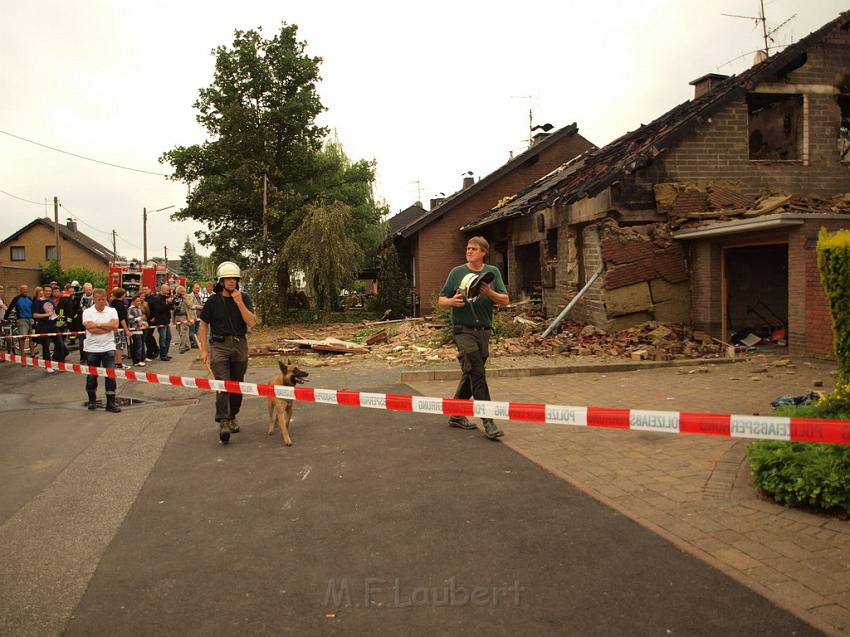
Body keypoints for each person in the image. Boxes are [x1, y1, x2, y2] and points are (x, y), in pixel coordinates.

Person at [438, 236, 510, 440]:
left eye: (473, 249)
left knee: (471, 372)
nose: (469, 251)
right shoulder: (457, 272)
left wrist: (489, 293)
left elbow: (505, 300)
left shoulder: (492, 272)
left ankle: (456, 413)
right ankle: (488, 421)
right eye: (468, 248)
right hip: (463, 330)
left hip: (484, 330)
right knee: (477, 371)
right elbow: (441, 300)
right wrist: (451, 301)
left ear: (483, 252)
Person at [197, 261, 257, 444]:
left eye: (234, 279)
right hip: (219, 346)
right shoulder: (213, 301)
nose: (231, 282)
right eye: (228, 279)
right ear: (221, 281)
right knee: (223, 385)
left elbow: (252, 322)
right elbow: (203, 324)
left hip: (239, 345)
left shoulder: (244, 298)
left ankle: (232, 415)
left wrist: (239, 302)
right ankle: (223, 421)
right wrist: (205, 350)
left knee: (237, 386)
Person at [82, 288, 121, 412]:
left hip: (108, 347)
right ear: (94, 299)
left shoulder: (112, 311)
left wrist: (97, 324)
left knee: (110, 376)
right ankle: (92, 400)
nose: (101, 302)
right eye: (98, 299)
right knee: (92, 376)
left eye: (103, 299)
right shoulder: (87, 312)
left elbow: (115, 326)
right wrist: (107, 327)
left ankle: (111, 403)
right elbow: (90, 328)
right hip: (92, 348)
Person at [32, 284, 62, 372]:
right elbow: (35, 315)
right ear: (43, 291)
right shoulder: (37, 303)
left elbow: (53, 312)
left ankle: (60, 363)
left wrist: (55, 316)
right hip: (43, 327)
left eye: (50, 291)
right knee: (46, 346)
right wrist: (46, 315)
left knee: (60, 344)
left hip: (53, 326)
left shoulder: (51, 301)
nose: (48, 292)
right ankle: (48, 365)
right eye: (47, 291)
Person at [147, 284, 174, 361]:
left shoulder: (166, 298)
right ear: (162, 289)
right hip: (161, 321)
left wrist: (171, 304)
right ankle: (163, 355)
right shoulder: (157, 298)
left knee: (169, 337)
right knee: (163, 338)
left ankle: (166, 353)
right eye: (167, 290)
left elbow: (169, 308)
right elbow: (158, 309)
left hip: (166, 321)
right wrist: (167, 304)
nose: (168, 291)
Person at [8, 284, 35, 356]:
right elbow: (10, 307)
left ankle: (32, 353)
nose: (25, 291)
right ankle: (22, 353)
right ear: (21, 290)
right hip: (22, 319)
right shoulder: (16, 298)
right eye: (24, 289)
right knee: (22, 337)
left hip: (31, 319)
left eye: (26, 289)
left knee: (32, 337)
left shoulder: (29, 298)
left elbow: (34, 308)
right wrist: (5, 317)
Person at [110, 287, 132, 368]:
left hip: (116, 327)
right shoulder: (119, 304)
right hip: (119, 328)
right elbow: (121, 318)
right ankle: (118, 363)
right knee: (120, 346)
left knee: (117, 346)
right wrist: (126, 330)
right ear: (121, 295)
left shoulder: (113, 303)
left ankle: (116, 362)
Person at [127, 293, 147, 367]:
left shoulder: (138, 308)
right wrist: (140, 318)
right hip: (134, 330)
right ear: (133, 301)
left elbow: (140, 318)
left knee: (140, 345)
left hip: (140, 329)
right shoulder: (130, 309)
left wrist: (143, 323)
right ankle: (136, 361)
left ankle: (139, 359)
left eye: (139, 301)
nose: (139, 302)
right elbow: (130, 320)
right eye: (137, 301)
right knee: (137, 345)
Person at [76, 283, 94, 362]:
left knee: (91, 340)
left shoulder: (96, 297)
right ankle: (83, 358)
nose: (88, 291)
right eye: (87, 290)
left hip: (92, 321)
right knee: (82, 341)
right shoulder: (80, 297)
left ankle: (91, 357)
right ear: (84, 290)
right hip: (81, 321)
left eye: (90, 289)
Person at [172, 285, 191, 353]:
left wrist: (185, 298)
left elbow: (190, 305)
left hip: (184, 316)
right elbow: (173, 309)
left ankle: (182, 348)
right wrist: (173, 319)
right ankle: (185, 346)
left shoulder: (186, 297)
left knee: (183, 333)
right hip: (177, 316)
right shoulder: (175, 298)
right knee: (180, 332)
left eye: (182, 291)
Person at [141, 286, 158, 360]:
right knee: (147, 337)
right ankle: (153, 350)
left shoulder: (153, 298)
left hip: (151, 320)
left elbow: (156, 309)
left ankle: (153, 351)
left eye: (146, 289)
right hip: (144, 321)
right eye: (143, 289)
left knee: (148, 336)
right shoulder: (142, 298)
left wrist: (154, 317)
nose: (145, 291)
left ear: (150, 290)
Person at [189, 283, 204, 348]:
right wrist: (197, 306)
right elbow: (190, 305)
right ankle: (193, 343)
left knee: (197, 330)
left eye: (198, 288)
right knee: (192, 330)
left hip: (200, 316)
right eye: (196, 288)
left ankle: (197, 342)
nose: (198, 289)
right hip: (193, 315)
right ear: (193, 288)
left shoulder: (201, 295)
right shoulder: (190, 296)